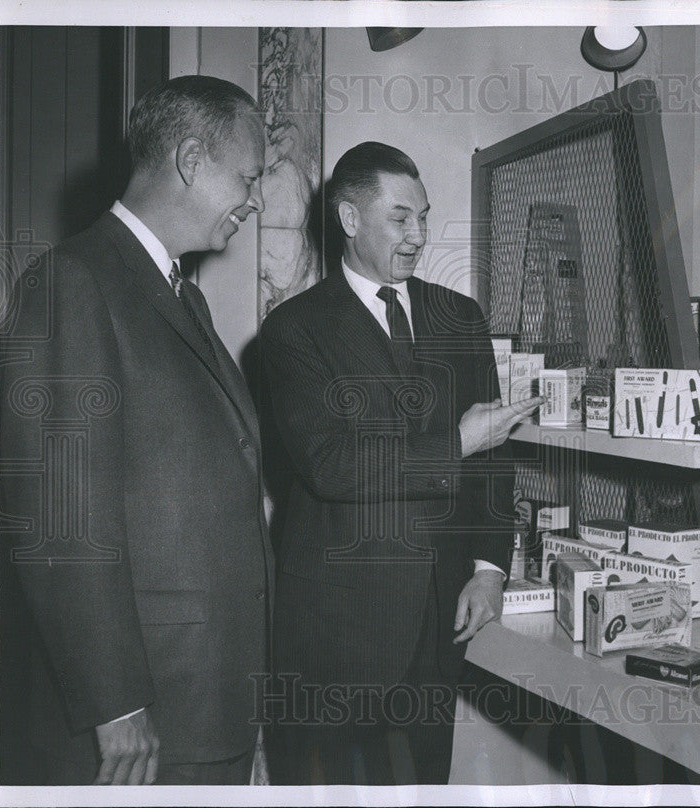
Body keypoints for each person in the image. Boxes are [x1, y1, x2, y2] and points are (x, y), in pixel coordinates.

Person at [0, 75, 272, 786]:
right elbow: (62, 521)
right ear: (190, 159)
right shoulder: (73, 282)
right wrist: (116, 703)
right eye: (248, 175)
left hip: (206, 699)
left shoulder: (188, 299)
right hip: (145, 718)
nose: (256, 197)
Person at [260, 141, 542, 785]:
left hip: (436, 628)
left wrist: (490, 568)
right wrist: (457, 443)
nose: (418, 235)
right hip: (336, 638)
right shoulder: (293, 332)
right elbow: (331, 466)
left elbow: (496, 461)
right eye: (399, 218)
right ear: (349, 219)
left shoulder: (459, 317)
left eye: (423, 216)